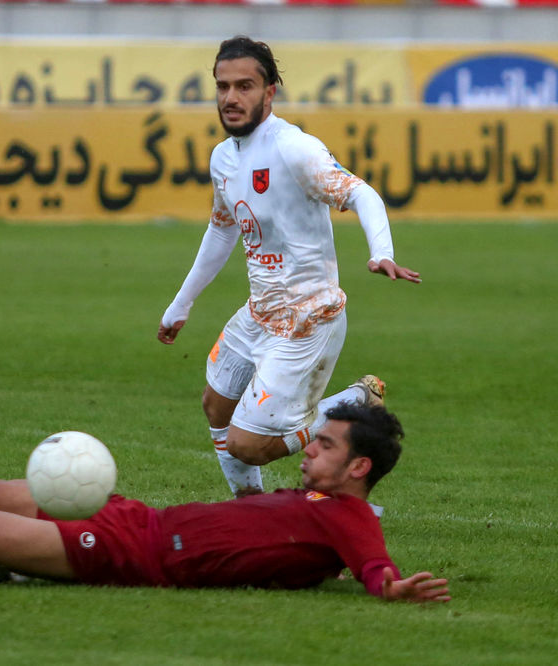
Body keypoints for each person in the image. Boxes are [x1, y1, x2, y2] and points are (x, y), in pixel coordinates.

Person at [0, 406, 450, 603]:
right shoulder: (322, 495)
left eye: (324, 446)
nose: (308, 450)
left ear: (358, 468)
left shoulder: (349, 517)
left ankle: (8, 566)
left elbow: (373, 566)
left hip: (137, 557)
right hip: (136, 518)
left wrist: (390, 588)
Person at [157, 36, 421, 496]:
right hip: (260, 311)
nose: (231, 97)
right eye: (223, 86)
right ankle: (250, 510)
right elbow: (222, 230)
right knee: (216, 407)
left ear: (269, 91)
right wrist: (182, 303)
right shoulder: (223, 158)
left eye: (244, 86)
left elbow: (361, 193)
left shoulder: (293, 148)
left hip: (308, 319)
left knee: (247, 445)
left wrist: (382, 251)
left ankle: (354, 401)